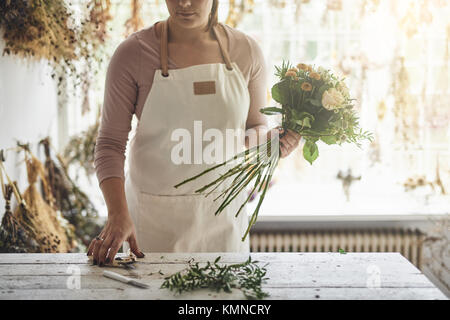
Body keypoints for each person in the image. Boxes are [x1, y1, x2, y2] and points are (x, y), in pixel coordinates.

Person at [88, 0, 301, 266]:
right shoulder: (133, 54)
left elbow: (254, 127)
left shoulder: (246, 51)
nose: (184, 3)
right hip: (154, 223)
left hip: (223, 219)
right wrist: (117, 214)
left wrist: (269, 144)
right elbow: (109, 144)